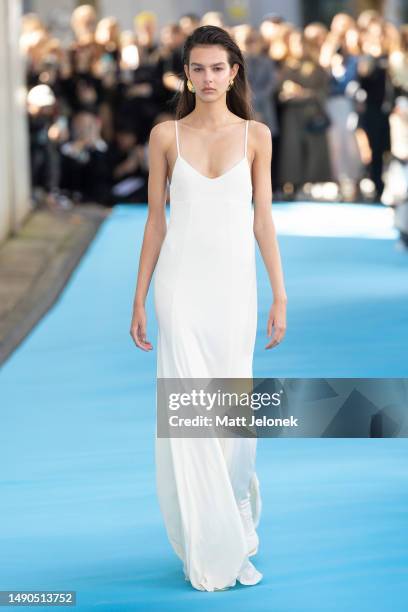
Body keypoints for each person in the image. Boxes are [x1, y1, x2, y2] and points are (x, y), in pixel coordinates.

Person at [129, 25, 287, 591]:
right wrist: (140, 296)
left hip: (234, 291)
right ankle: (211, 540)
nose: (208, 78)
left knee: (234, 419)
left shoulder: (257, 136)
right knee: (191, 419)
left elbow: (263, 221)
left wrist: (280, 293)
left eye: (218, 68)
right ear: (186, 75)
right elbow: (155, 221)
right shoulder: (164, 136)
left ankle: (238, 522)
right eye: (198, 68)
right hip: (180, 290)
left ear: (234, 72)